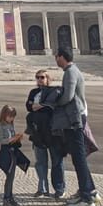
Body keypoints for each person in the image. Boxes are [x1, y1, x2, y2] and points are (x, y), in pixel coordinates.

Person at [51, 47, 100, 206]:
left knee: (79, 158)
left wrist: (54, 102)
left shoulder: (71, 72)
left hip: (74, 120)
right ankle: (89, 191)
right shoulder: (72, 71)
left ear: (62, 57)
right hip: (76, 118)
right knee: (79, 157)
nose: (55, 60)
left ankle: (87, 200)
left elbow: (68, 96)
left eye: (56, 57)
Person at [25, 70, 65, 198]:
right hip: (38, 132)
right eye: (37, 77)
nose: (39, 79)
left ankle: (60, 189)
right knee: (40, 162)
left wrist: (39, 105)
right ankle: (42, 188)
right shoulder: (33, 92)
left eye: (42, 77)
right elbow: (28, 106)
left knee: (56, 161)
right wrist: (41, 105)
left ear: (48, 78)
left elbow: (51, 106)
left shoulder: (54, 91)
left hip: (52, 132)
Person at [0, 105, 28, 206]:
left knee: (11, 177)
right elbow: (1, 140)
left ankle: (10, 198)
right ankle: (6, 200)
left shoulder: (10, 124)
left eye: (13, 117)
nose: (11, 119)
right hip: (6, 152)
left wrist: (17, 138)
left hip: (13, 151)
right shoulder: (0, 125)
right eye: (10, 116)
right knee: (9, 177)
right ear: (4, 115)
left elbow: (12, 137)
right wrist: (11, 139)